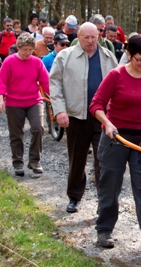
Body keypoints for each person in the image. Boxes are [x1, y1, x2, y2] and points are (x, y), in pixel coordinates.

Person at [90, 35, 141, 252]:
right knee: (110, 185)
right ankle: (104, 229)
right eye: (139, 60)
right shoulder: (116, 76)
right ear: (129, 55)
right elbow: (96, 104)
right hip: (115, 138)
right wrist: (106, 123)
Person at [50, 22, 118, 213]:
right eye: (86, 37)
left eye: (93, 37)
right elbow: (54, 83)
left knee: (102, 160)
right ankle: (74, 196)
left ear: (99, 36)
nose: (90, 41)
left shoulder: (107, 57)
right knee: (77, 158)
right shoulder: (65, 56)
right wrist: (60, 110)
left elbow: (117, 85)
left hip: (102, 117)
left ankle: (103, 201)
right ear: (78, 37)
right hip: (75, 116)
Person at [0, 33, 50, 176]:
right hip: (14, 102)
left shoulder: (37, 62)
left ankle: (34, 160)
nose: (27, 53)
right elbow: (1, 82)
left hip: (33, 100)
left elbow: (46, 82)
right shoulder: (9, 62)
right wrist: (1, 99)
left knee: (38, 128)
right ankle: (18, 162)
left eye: (30, 50)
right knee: (16, 133)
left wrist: (56, 99)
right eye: (25, 49)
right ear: (18, 48)